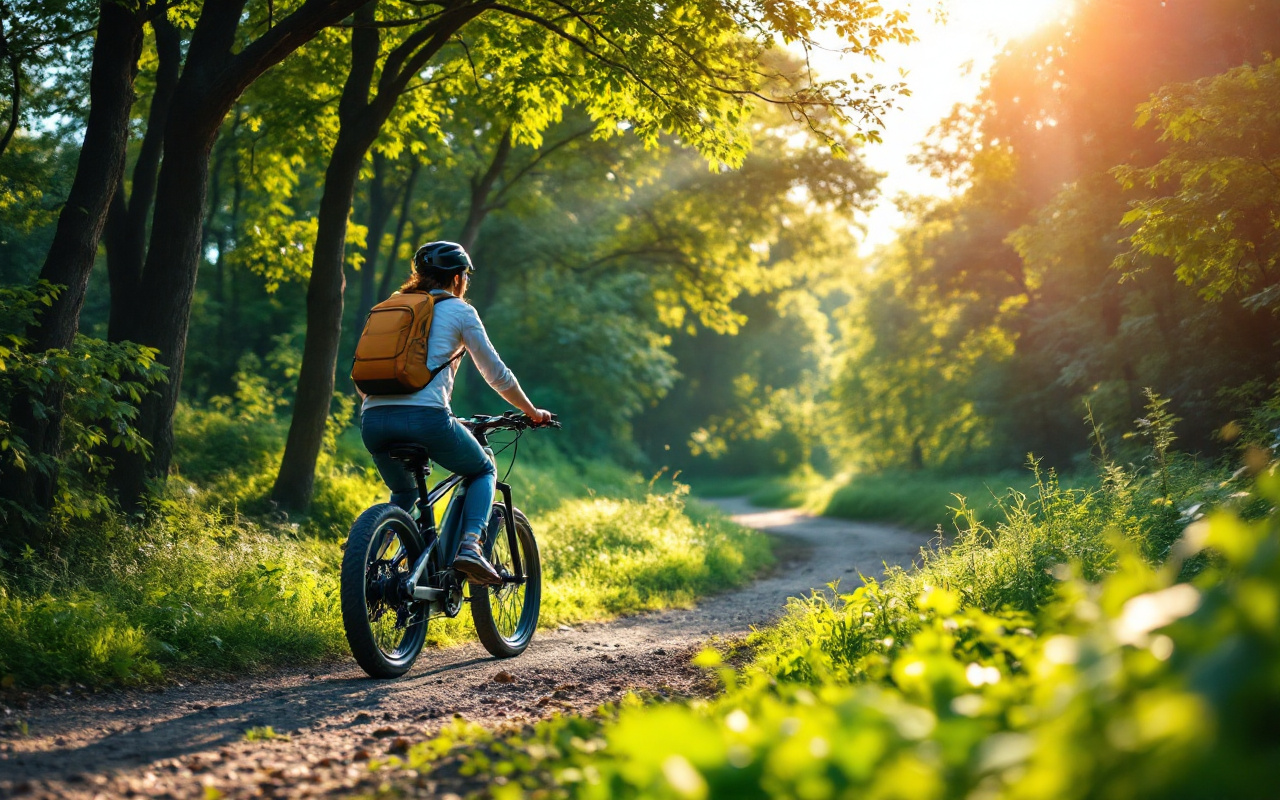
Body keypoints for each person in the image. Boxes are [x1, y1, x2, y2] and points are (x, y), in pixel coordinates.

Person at [358, 241, 552, 585]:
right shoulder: (460, 311)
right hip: (427, 420)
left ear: (419, 276)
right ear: (459, 278)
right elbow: (497, 375)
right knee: (483, 469)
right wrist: (532, 411)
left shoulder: (389, 308)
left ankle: (366, 557)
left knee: (403, 493)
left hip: (373, 421)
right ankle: (470, 546)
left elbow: (364, 375)